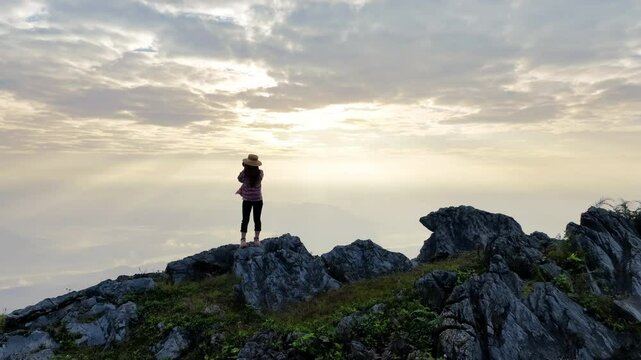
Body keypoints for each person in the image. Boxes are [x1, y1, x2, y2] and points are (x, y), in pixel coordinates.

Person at [236, 154, 264, 248]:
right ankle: (256, 239)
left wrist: (245, 168)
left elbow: (239, 179)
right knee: (257, 219)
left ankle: (243, 240)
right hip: (258, 199)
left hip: (247, 199)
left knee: (245, 219)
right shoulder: (260, 173)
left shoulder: (244, 173)